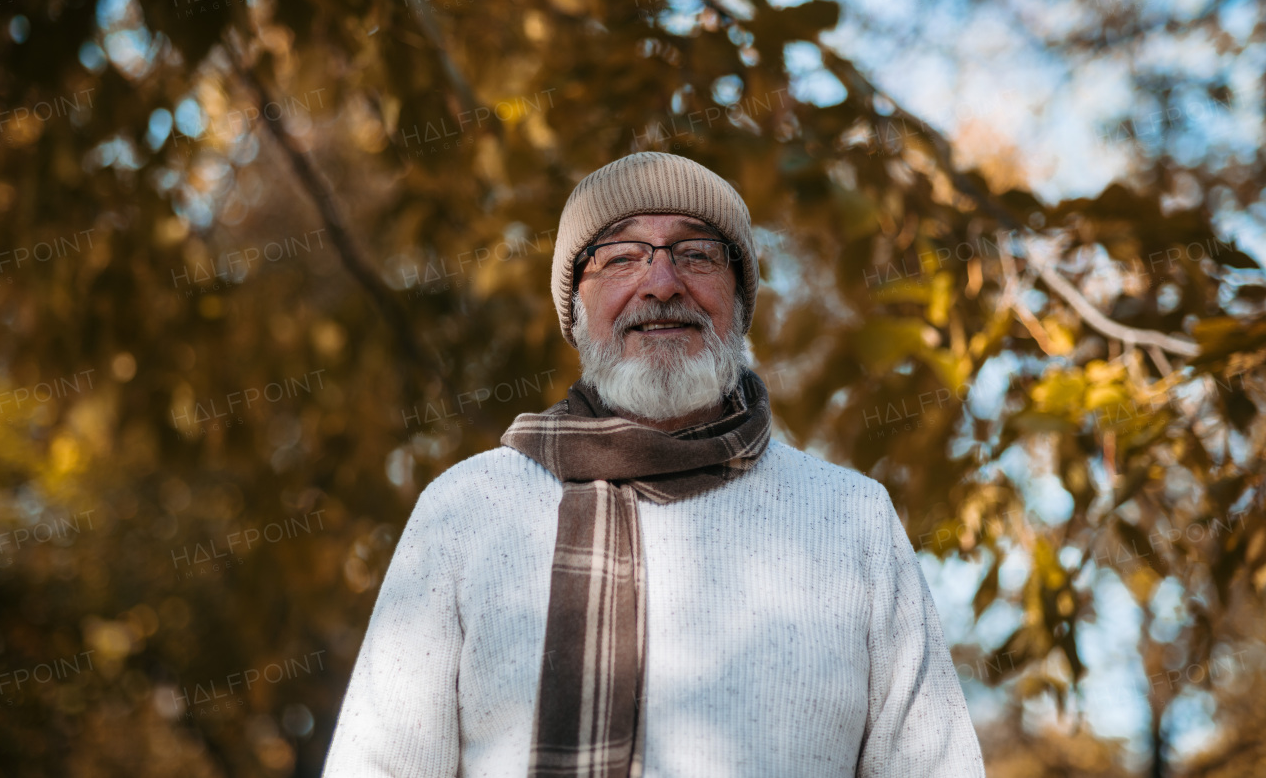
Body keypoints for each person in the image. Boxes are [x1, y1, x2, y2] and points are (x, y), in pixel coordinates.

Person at [321, 152, 985, 778]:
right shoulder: (466, 509)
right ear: (575, 308)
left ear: (740, 300)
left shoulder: (854, 518)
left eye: (696, 254)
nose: (661, 283)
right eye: (620, 258)